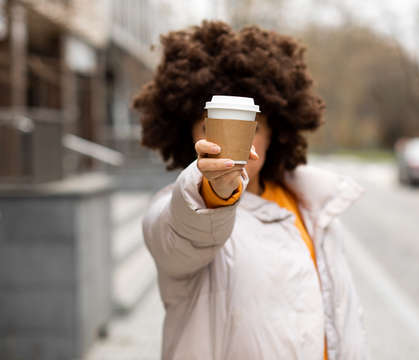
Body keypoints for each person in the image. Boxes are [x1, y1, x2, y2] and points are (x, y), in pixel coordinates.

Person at [133, 20, 368, 360]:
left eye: (250, 126)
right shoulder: (179, 207)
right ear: (190, 133)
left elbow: (345, 323)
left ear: (275, 132)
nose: (234, 141)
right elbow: (187, 230)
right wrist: (214, 193)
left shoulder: (317, 208)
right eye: (212, 123)